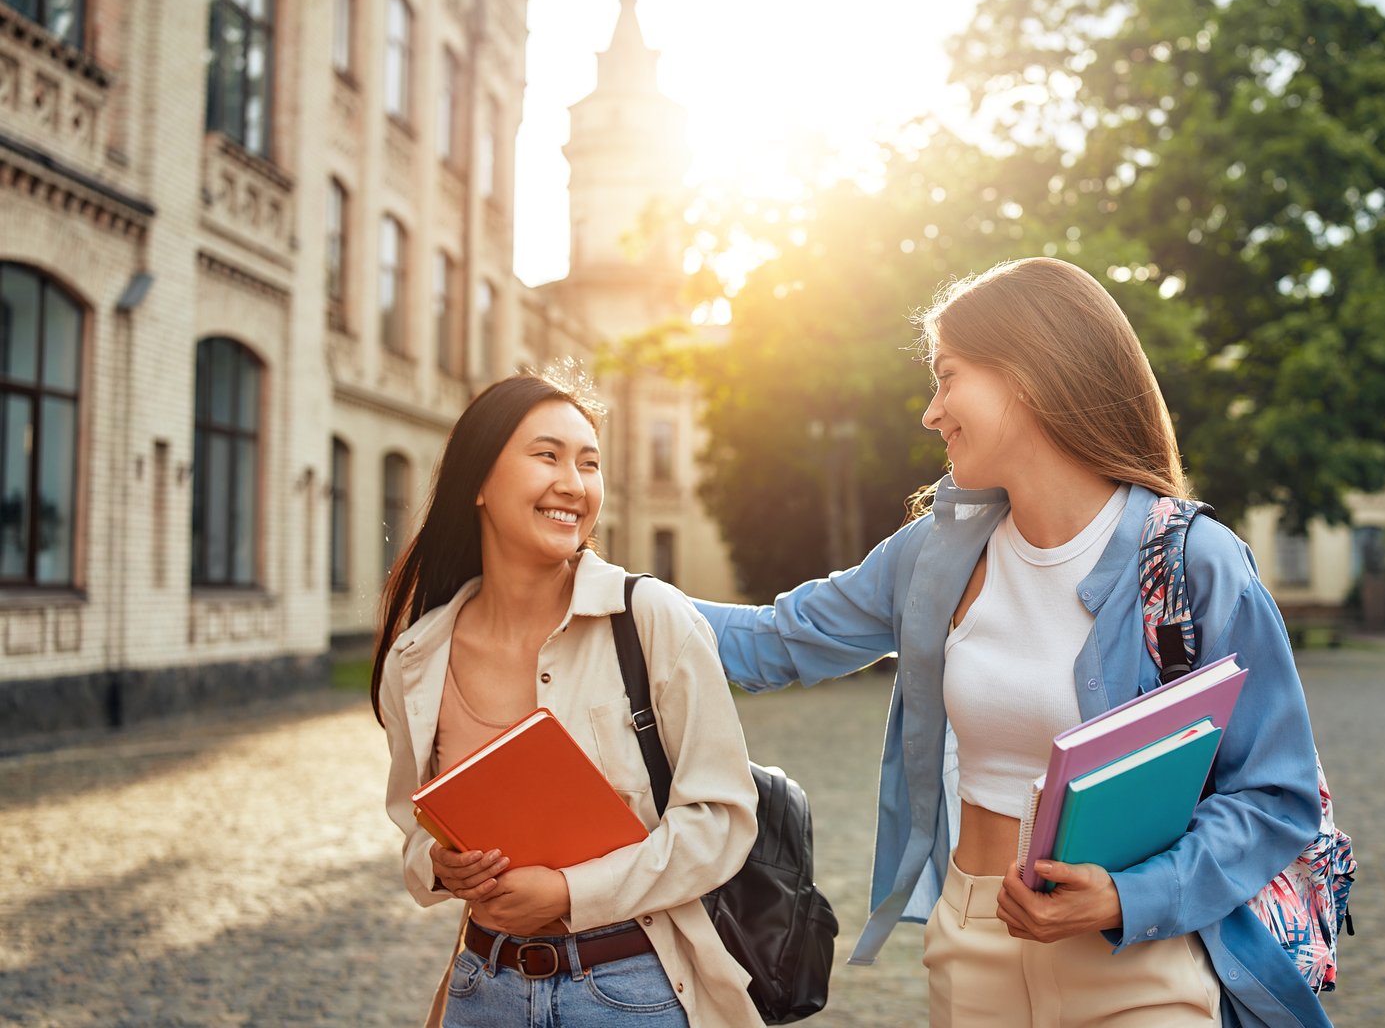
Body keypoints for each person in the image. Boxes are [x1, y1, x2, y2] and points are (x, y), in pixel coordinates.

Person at [693, 257, 1331, 1028]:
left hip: (1138, 962)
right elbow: (775, 642)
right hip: (973, 946)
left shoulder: (1192, 560)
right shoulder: (937, 552)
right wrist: (600, 591)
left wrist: (1130, 897)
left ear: (1026, 376)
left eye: (948, 376)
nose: (932, 412)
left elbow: (1275, 794)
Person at [372, 367, 765, 1028]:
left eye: (589, 463)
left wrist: (567, 891)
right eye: (546, 456)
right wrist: (442, 865)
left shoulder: (650, 619)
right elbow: (414, 827)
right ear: (477, 483)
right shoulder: (417, 658)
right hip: (481, 988)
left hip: (630, 989)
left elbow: (723, 819)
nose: (573, 484)